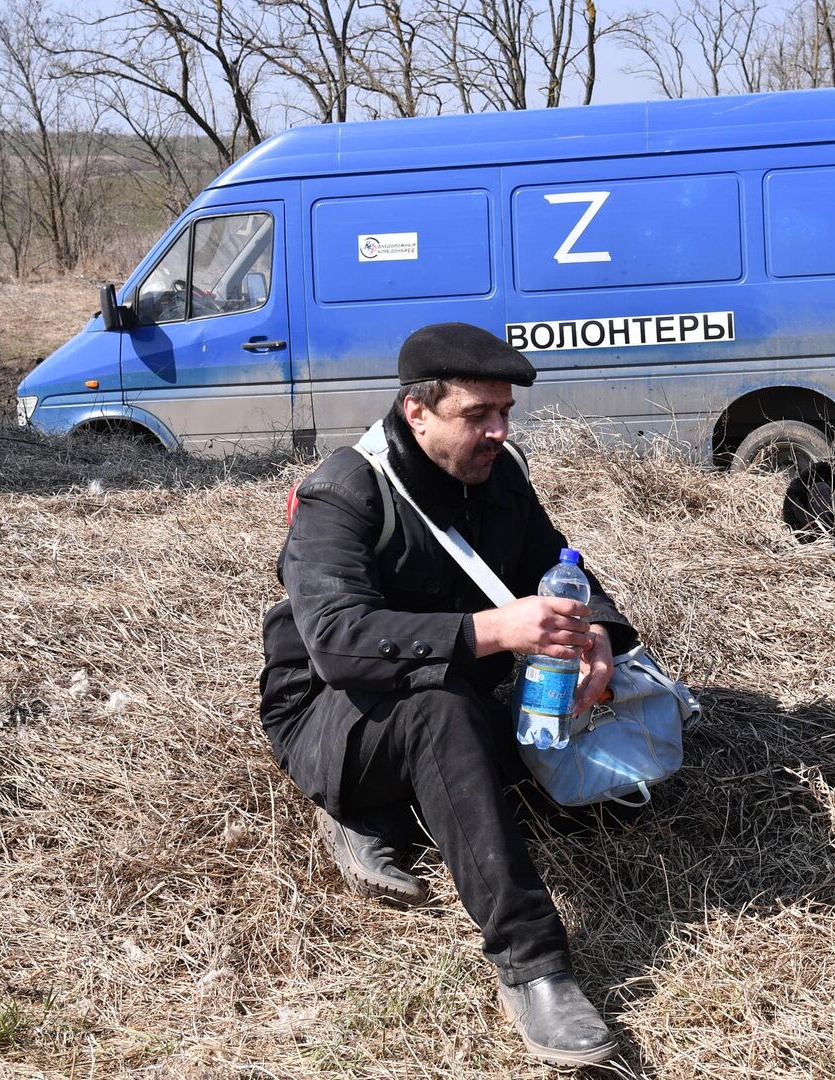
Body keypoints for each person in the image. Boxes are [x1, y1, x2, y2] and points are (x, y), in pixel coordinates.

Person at [257, 323, 637, 1068]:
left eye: (505, 413)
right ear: (416, 411)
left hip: (457, 695)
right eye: (477, 415)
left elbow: (559, 567)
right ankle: (535, 968)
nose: (497, 431)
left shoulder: (501, 476)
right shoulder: (341, 490)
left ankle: (384, 814)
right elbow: (337, 641)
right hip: (334, 718)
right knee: (443, 713)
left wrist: (599, 634)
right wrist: (494, 630)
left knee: (602, 806)